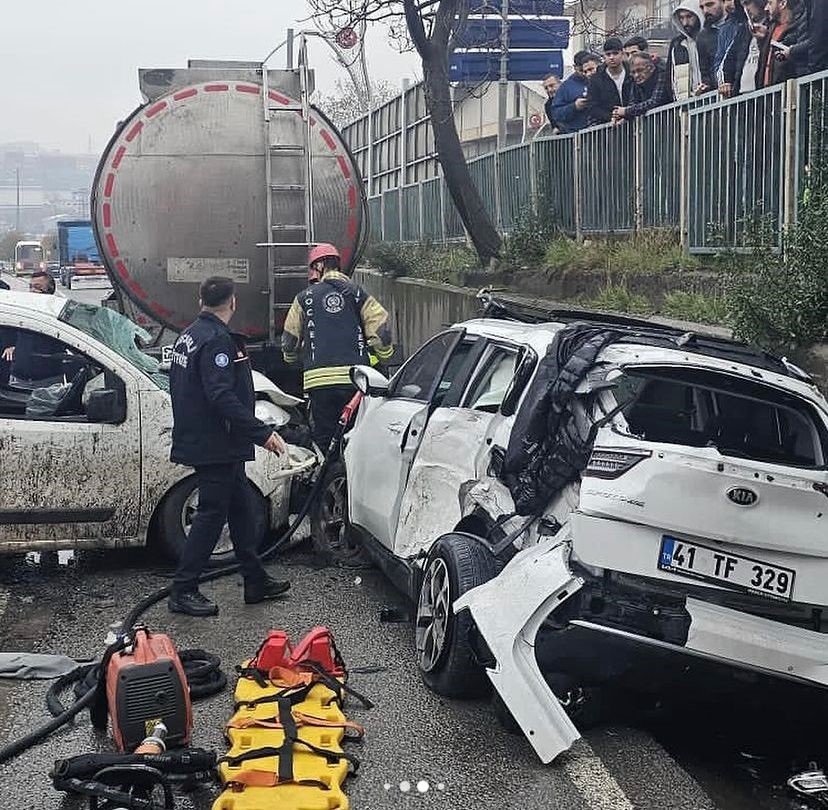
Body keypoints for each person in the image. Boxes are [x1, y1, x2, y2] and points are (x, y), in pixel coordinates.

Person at [167, 276, 291, 618]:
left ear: (200, 300)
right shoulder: (216, 341)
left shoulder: (189, 336)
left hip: (211, 439)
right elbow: (220, 395)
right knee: (210, 515)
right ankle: (184, 589)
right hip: (215, 442)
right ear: (232, 303)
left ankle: (254, 579)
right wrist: (261, 433)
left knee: (240, 510)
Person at [282, 244, 393, 453]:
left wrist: (291, 360)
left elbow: (289, 340)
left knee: (324, 440)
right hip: (355, 381)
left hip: (319, 383)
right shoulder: (358, 294)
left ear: (319, 265)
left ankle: (326, 480)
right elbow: (381, 331)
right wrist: (385, 357)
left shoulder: (304, 298)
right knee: (354, 438)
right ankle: (350, 480)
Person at [2, 272, 67, 384]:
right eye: (31, 287)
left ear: (50, 289)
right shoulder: (25, 310)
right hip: (20, 378)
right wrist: (10, 345)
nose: (32, 291)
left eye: (37, 287)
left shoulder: (59, 312)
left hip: (48, 379)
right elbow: (12, 329)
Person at [667, 0, 716, 98]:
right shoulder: (677, 44)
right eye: (681, 18)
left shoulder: (713, 36)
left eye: (689, 17)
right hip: (686, 103)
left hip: (711, 96)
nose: (685, 22)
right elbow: (670, 77)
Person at [757, 0, 809, 85]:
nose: (766, 8)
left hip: (788, 88)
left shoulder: (799, 27)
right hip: (767, 91)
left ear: (783, 4)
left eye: (770, 3)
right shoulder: (770, 29)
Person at [613, 52, 675, 120]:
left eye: (640, 70)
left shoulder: (662, 74)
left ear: (651, 68)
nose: (636, 75)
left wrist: (626, 111)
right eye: (633, 72)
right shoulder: (635, 82)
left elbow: (655, 101)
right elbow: (632, 103)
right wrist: (620, 116)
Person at [722, 0, 766, 95]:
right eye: (743, 5)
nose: (746, 9)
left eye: (748, 3)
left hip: (763, 92)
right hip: (742, 94)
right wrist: (728, 81)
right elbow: (730, 59)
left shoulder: (772, 25)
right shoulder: (744, 29)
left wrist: (765, 38)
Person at [586, 37, 633, 126]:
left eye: (615, 53)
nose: (612, 57)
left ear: (622, 54)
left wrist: (627, 112)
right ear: (604, 56)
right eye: (608, 54)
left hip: (634, 121)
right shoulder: (596, 79)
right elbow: (592, 106)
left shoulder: (632, 71)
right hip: (609, 126)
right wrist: (611, 116)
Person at [551, 51, 600, 133]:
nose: (587, 74)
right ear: (575, 67)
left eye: (590, 69)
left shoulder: (602, 80)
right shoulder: (566, 87)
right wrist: (574, 107)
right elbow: (556, 113)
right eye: (582, 70)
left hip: (601, 131)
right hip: (577, 134)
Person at [713, 0, 749, 92]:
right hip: (734, 90)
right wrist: (724, 82)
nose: (730, 4)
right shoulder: (725, 29)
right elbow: (721, 61)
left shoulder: (751, 25)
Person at [700, 0, 727, 80]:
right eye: (702, 7)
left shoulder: (739, 26)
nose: (705, 11)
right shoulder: (703, 37)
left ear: (723, 2)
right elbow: (705, 71)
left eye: (710, 5)